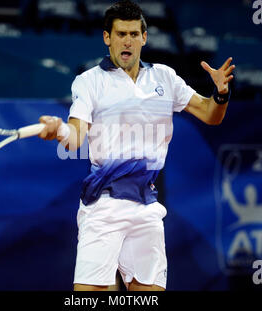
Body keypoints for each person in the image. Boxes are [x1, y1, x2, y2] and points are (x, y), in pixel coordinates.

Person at [38, 0, 235, 291]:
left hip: (146, 206)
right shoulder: (89, 82)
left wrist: (220, 94)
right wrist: (60, 132)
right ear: (107, 38)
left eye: (133, 34)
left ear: (144, 37)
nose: (127, 41)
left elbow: (210, 114)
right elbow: (77, 136)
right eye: (120, 34)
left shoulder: (165, 78)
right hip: (103, 206)